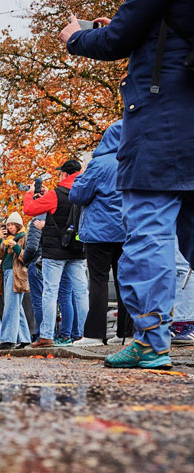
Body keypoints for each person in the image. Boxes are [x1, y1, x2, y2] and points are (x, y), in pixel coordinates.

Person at [62, 2, 194, 369]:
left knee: (149, 236)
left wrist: (77, 37)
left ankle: (152, 339)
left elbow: (114, 42)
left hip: (159, 129)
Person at [66, 121, 134, 347]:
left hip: (100, 233)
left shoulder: (99, 164)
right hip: (127, 231)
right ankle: (125, 334)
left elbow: (78, 195)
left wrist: (82, 174)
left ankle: (94, 334)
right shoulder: (133, 161)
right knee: (126, 282)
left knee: (98, 282)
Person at [23, 160, 89, 349]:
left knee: (50, 292)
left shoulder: (56, 194)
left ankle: (46, 336)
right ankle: (85, 334)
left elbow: (30, 209)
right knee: (81, 292)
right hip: (78, 248)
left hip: (55, 251)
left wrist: (30, 194)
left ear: (64, 174)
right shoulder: (85, 191)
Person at [0, 213, 32, 349]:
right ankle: (25, 338)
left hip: (17, 275)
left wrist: (15, 246)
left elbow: (26, 257)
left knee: (10, 307)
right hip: (6, 273)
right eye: (8, 225)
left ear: (18, 225)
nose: (10, 227)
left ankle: (8, 339)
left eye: (12, 225)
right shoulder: (7, 239)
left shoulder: (23, 238)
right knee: (16, 307)